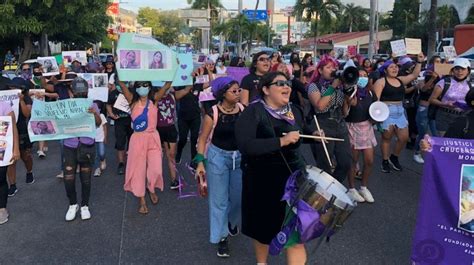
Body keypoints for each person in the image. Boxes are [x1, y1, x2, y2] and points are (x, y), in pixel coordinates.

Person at [235, 71, 316, 264]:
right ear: (265, 89)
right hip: (262, 181)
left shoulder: (293, 110)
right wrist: (280, 141)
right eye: (279, 83)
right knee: (263, 231)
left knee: (296, 236)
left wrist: (313, 133)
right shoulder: (253, 112)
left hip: (294, 179)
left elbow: (301, 133)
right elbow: (245, 145)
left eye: (287, 83)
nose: (286, 86)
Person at [194, 77, 244, 258]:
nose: (238, 94)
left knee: (238, 198)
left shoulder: (243, 110)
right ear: (223, 93)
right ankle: (222, 238)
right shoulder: (212, 114)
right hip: (217, 158)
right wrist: (200, 162)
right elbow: (202, 139)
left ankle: (231, 221)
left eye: (239, 90)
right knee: (219, 201)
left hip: (239, 158)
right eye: (234, 91)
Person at [119, 80, 165, 215]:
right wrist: (117, 62)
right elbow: (122, 84)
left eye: (145, 85)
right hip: (138, 139)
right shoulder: (132, 101)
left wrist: (175, 68)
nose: (142, 88)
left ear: (150, 87)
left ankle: (151, 188)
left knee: (156, 169)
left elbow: (168, 84)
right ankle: (142, 200)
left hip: (153, 138)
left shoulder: (154, 100)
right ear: (135, 87)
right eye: (139, 85)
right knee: (138, 170)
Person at [307, 56, 356, 183]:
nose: (332, 70)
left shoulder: (340, 87)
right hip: (322, 124)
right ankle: (325, 192)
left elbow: (345, 113)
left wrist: (347, 97)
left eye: (334, 67)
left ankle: (333, 185)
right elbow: (320, 106)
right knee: (325, 164)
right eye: (328, 67)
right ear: (320, 70)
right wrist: (332, 87)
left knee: (346, 162)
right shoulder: (314, 86)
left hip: (339, 124)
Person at [373, 53, 424, 173]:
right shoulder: (381, 82)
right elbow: (376, 101)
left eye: (396, 67)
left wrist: (420, 62)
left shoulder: (400, 80)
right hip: (386, 110)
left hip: (400, 111)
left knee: (403, 138)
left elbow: (414, 74)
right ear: (385, 70)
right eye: (391, 67)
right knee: (387, 137)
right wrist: (378, 116)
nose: (395, 69)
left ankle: (394, 157)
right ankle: (385, 160)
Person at [63, 77, 102, 221]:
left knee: (86, 179)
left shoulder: (92, 104)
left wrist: (94, 113)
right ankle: (73, 204)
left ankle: (85, 205)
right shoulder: (65, 105)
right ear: (71, 92)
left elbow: (98, 123)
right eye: (77, 92)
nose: (80, 95)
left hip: (87, 145)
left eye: (83, 92)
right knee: (68, 178)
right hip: (70, 145)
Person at [345, 69, 376, 203]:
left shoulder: (370, 92)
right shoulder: (350, 92)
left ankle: (363, 187)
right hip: (353, 127)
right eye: (360, 76)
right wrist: (349, 98)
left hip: (367, 127)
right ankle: (352, 189)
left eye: (365, 75)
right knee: (353, 161)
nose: (363, 78)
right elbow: (346, 110)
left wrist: (376, 119)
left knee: (369, 160)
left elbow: (375, 109)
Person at [154, 82, 193, 189]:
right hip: (157, 129)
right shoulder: (155, 97)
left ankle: (174, 180)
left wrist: (190, 77)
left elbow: (186, 89)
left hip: (170, 128)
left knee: (171, 155)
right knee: (156, 155)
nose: (165, 88)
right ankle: (154, 179)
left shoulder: (173, 95)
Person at [5, 77, 34, 198]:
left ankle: (29, 171)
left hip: (22, 130)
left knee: (25, 156)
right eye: (11, 87)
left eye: (15, 87)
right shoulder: (5, 97)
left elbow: (27, 114)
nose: (12, 89)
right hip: (8, 130)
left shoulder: (26, 98)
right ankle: (12, 185)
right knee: (10, 160)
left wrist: (21, 100)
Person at [428, 58, 472, 136]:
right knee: (444, 142)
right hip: (444, 117)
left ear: (468, 71)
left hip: (462, 118)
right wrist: (445, 104)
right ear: (453, 70)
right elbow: (431, 99)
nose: (460, 71)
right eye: (457, 69)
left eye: (463, 69)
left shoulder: (469, 85)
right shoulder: (444, 82)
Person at [412, 56, 441, 164]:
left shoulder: (443, 77)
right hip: (424, 108)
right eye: (436, 62)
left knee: (436, 134)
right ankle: (417, 152)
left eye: (440, 62)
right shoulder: (425, 74)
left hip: (435, 109)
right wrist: (433, 78)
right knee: (423, 132)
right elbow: (423, 89)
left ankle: (436, 155)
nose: (438, 64)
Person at [107, 79, 133, 175]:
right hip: (119, 121)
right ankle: (121, 163)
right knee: (120, 143)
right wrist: (111, 114)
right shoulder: (114, 93)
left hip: (132, 121)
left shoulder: (132, 92)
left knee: (132, 142)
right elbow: (108, 105)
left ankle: (131, 162)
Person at [0, 100, 20, 224]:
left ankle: (2, 208)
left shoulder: (4, 106)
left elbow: (13, 128)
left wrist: (16, 149)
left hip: (2, 148)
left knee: (1, 178)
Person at [93, 105, 107, 178]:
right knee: (95, 155)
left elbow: (104, 126)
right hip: (93, 138)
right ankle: (97, 168)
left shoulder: (101, 115)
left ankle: (103, 159)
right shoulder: (89, 117)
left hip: (100, 138)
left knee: (101, 153)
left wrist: (105, 137)